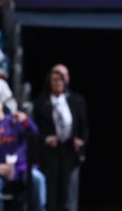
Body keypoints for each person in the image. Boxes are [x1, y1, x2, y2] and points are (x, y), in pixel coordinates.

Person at [0, 93, 46, 211]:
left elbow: (34, 134)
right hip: (1, 168)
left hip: (22, 167)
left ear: (1, 104)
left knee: (37, 178)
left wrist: (25, 121)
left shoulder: (15, 120)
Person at [33, 67, 88, 211]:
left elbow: (83, 126)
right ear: (49, 83)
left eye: (61, 80)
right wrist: (45, 139)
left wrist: (81, 145)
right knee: (51, 188)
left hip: (69, 150)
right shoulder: (40, 103)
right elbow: (35, 130)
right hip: (50, 151)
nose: (58, 83)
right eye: (54, 80)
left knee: (67, 189)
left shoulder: (76, 101)